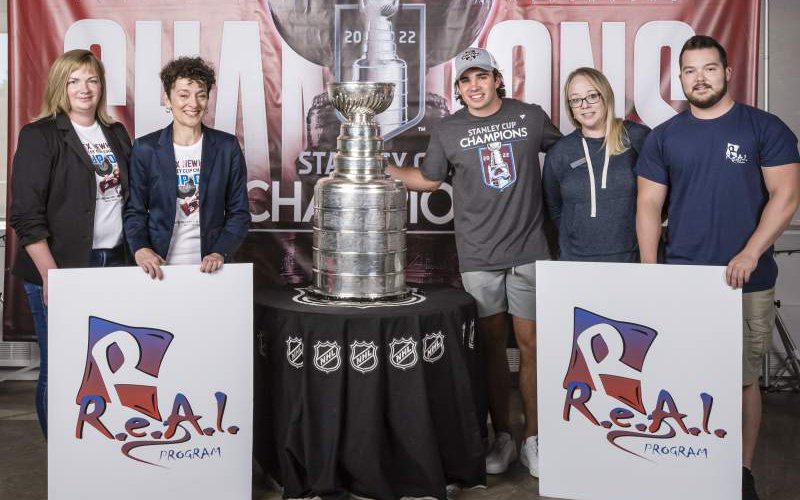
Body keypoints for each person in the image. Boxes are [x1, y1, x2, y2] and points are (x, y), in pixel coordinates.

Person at [636, 35, 800, 500]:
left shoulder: (764, 128)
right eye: (690, 70)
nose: (699, 78)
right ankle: (691, 464)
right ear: (680, 79)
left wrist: (750, 252)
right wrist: (652, 271)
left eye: (709, 68)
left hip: (747, 282)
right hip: (685, 283)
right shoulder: (665, 136)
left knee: (744, 379)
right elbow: (648, 203)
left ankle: (741, 472)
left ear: (728, 73)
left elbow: (786, 197)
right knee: (685, 377)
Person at [388, 47, 561, 477]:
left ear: (497, 79)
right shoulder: (448, 130)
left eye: (481, 77)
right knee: (489, 352)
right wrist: (380, 167)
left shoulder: (530, 117)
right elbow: (428, 181)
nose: (474, 86)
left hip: (529, 251)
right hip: (479, 256)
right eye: (466, 80)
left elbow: (569, 156)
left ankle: (534, 438)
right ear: (459, 89)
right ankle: (503, 435)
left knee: (532, 348)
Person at [10, 49, 132, 437]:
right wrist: (53, 278)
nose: (84, 88)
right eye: (74, 80)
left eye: (92, 80)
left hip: (114, 264)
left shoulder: (115, 134)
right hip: (61, 268)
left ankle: (94, 452)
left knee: (109, 364)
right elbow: (26, 216)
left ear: (102, 87)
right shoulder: (40, 135)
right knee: (63, 365)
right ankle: (60, 460)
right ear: (59, 86)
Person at [124, 57, 250, 279]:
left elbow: (239, 213)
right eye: (184, 95)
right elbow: (135, 210)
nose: (193, 103)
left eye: (201, 95)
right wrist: (141, 248)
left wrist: (220, 252)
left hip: (211, 268)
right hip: (157, 267)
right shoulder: (145, 148)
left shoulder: (226, 147)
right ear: (167, 99)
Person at [543, 67, 650, 262]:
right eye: (575, 100)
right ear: (571, 108)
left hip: (631, 258)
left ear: (605, 96)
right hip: (575, 261)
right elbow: (555, 209)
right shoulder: (560, 152)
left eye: (592, 96)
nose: (584, 105)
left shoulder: (636, 137)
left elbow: (659, 198)